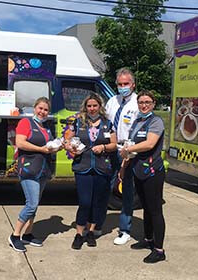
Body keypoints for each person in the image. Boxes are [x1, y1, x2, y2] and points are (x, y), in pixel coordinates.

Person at [64, 93, 117, 250]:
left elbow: (114, 144)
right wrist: (71, 147)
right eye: (89, 106)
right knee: (85, 202)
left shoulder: (108, 123)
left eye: (95, 105)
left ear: (100, 106)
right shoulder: (78, 122)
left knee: (97, 202)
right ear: (85, 107)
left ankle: (91, 232)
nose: (92, 108)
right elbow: (67, 140)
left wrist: (104, 147)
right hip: (83, 167)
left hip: (102, 168)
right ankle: (79, 233)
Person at [119, 90, 166, 264]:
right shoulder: (138, 121)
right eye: (141, 102)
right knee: (145, 207)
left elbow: (150, 143)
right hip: (138, 169)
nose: (144, 105)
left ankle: (159, 250)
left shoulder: (156, 121)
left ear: (153, 103)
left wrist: (128, 150)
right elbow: (131, 145)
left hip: (152, 171)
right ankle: (148, 240)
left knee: (155, 210)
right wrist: (124, 166)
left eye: (147, 102)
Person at [8, 97, 57, 252]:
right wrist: (42, 149)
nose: (42, 112)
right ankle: (15, 236)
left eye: (46, 110)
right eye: (40, 108)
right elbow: (20, 142)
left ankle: (28, 235)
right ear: (34, 108)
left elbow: (49, 146)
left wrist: (58, 146)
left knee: (34, 205)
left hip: (42, 170)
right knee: (31, 204)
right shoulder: (26, 123)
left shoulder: (46, 127)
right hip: (29, 169)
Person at [101, 67, 139, 245]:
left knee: (126, 191)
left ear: (133, 84)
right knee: (104, 188)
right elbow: (106, 124)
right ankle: (97, 224)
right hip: (111, 148)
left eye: (126, 84)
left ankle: (125, 230)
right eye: (120, 84)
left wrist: (129, 152)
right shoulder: (112, 101)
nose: (123, 87)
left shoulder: (138, 103)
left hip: (128, 149)